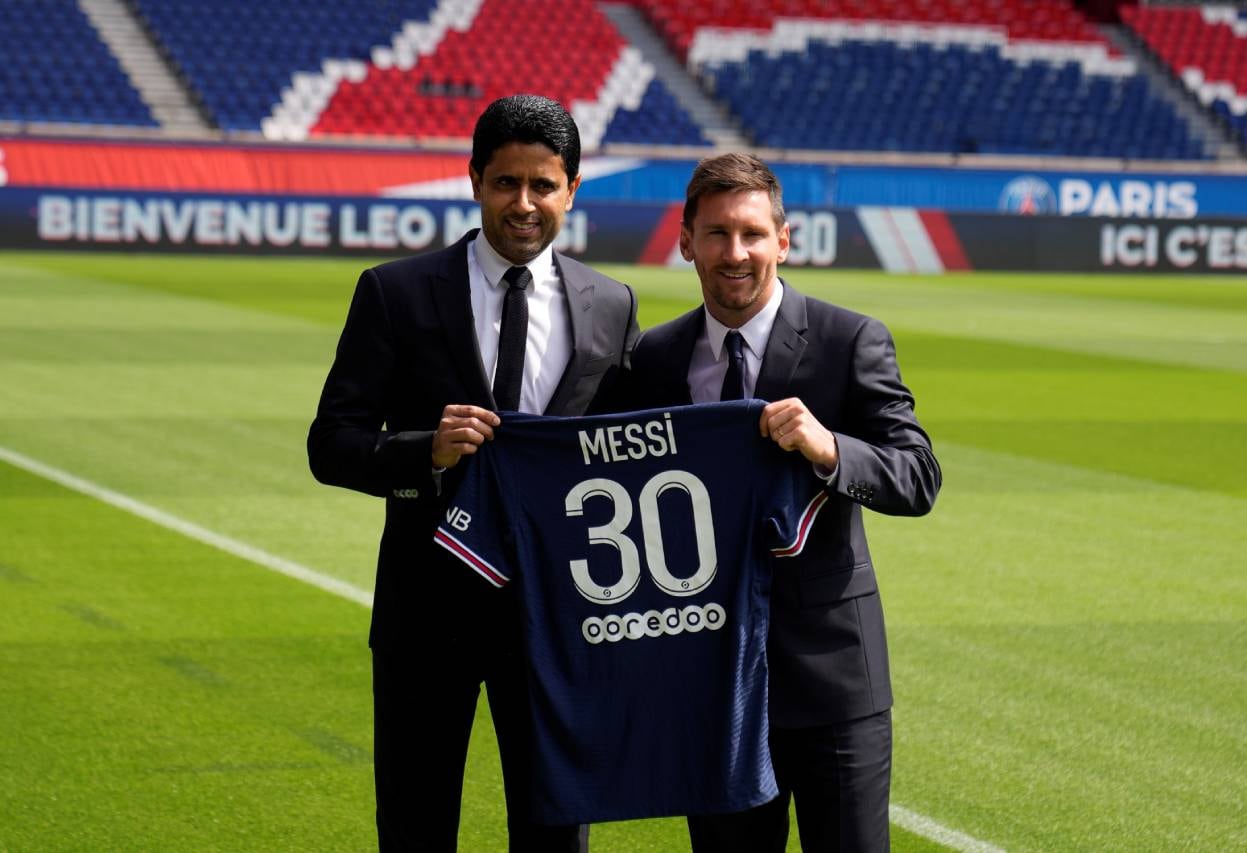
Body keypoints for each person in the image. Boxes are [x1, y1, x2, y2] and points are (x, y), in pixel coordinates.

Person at [307, 94, 638, 852]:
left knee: (555, 833)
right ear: (474, 181)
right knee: (417, 827)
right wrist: (422, 450)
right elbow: (331, 442)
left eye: (543, 186)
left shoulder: (611, 305)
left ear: (573, 188)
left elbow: (625, 455)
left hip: (557, 623)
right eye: (505, 184)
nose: (524, 204)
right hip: (427, 616)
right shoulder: (395, 291)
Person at [628, 153, 941, 853]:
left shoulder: (849, 340)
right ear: (686, 243)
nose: (734, 253)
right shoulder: (652, 359)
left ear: (784, 240)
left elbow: (918, 475)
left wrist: (829, 448)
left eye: (751, 234)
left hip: (833, 682)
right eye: (715, 235)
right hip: (713, 685)